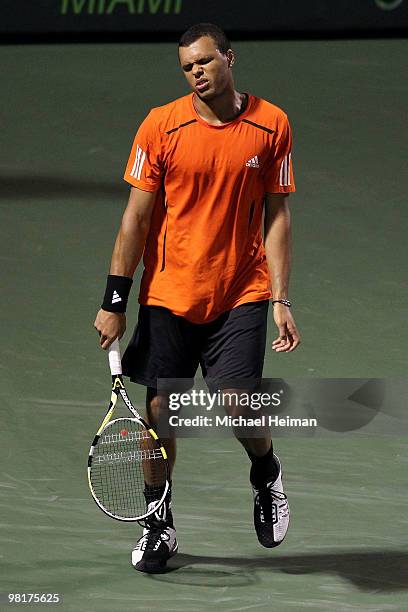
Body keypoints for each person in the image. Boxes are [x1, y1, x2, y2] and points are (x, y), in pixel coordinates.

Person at [94, 23, 300, 573]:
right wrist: (115, 298)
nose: (197, 73)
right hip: (168, 291)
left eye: (206, 62)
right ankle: (158, 525)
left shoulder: (271, 124)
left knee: (236, 401)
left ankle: (266, 471)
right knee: (161, 411)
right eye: (188, 67)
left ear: (229, 59)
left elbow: (277, 215)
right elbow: (136, 217)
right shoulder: (162, 125)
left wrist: (281, 298)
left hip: (241, 288)